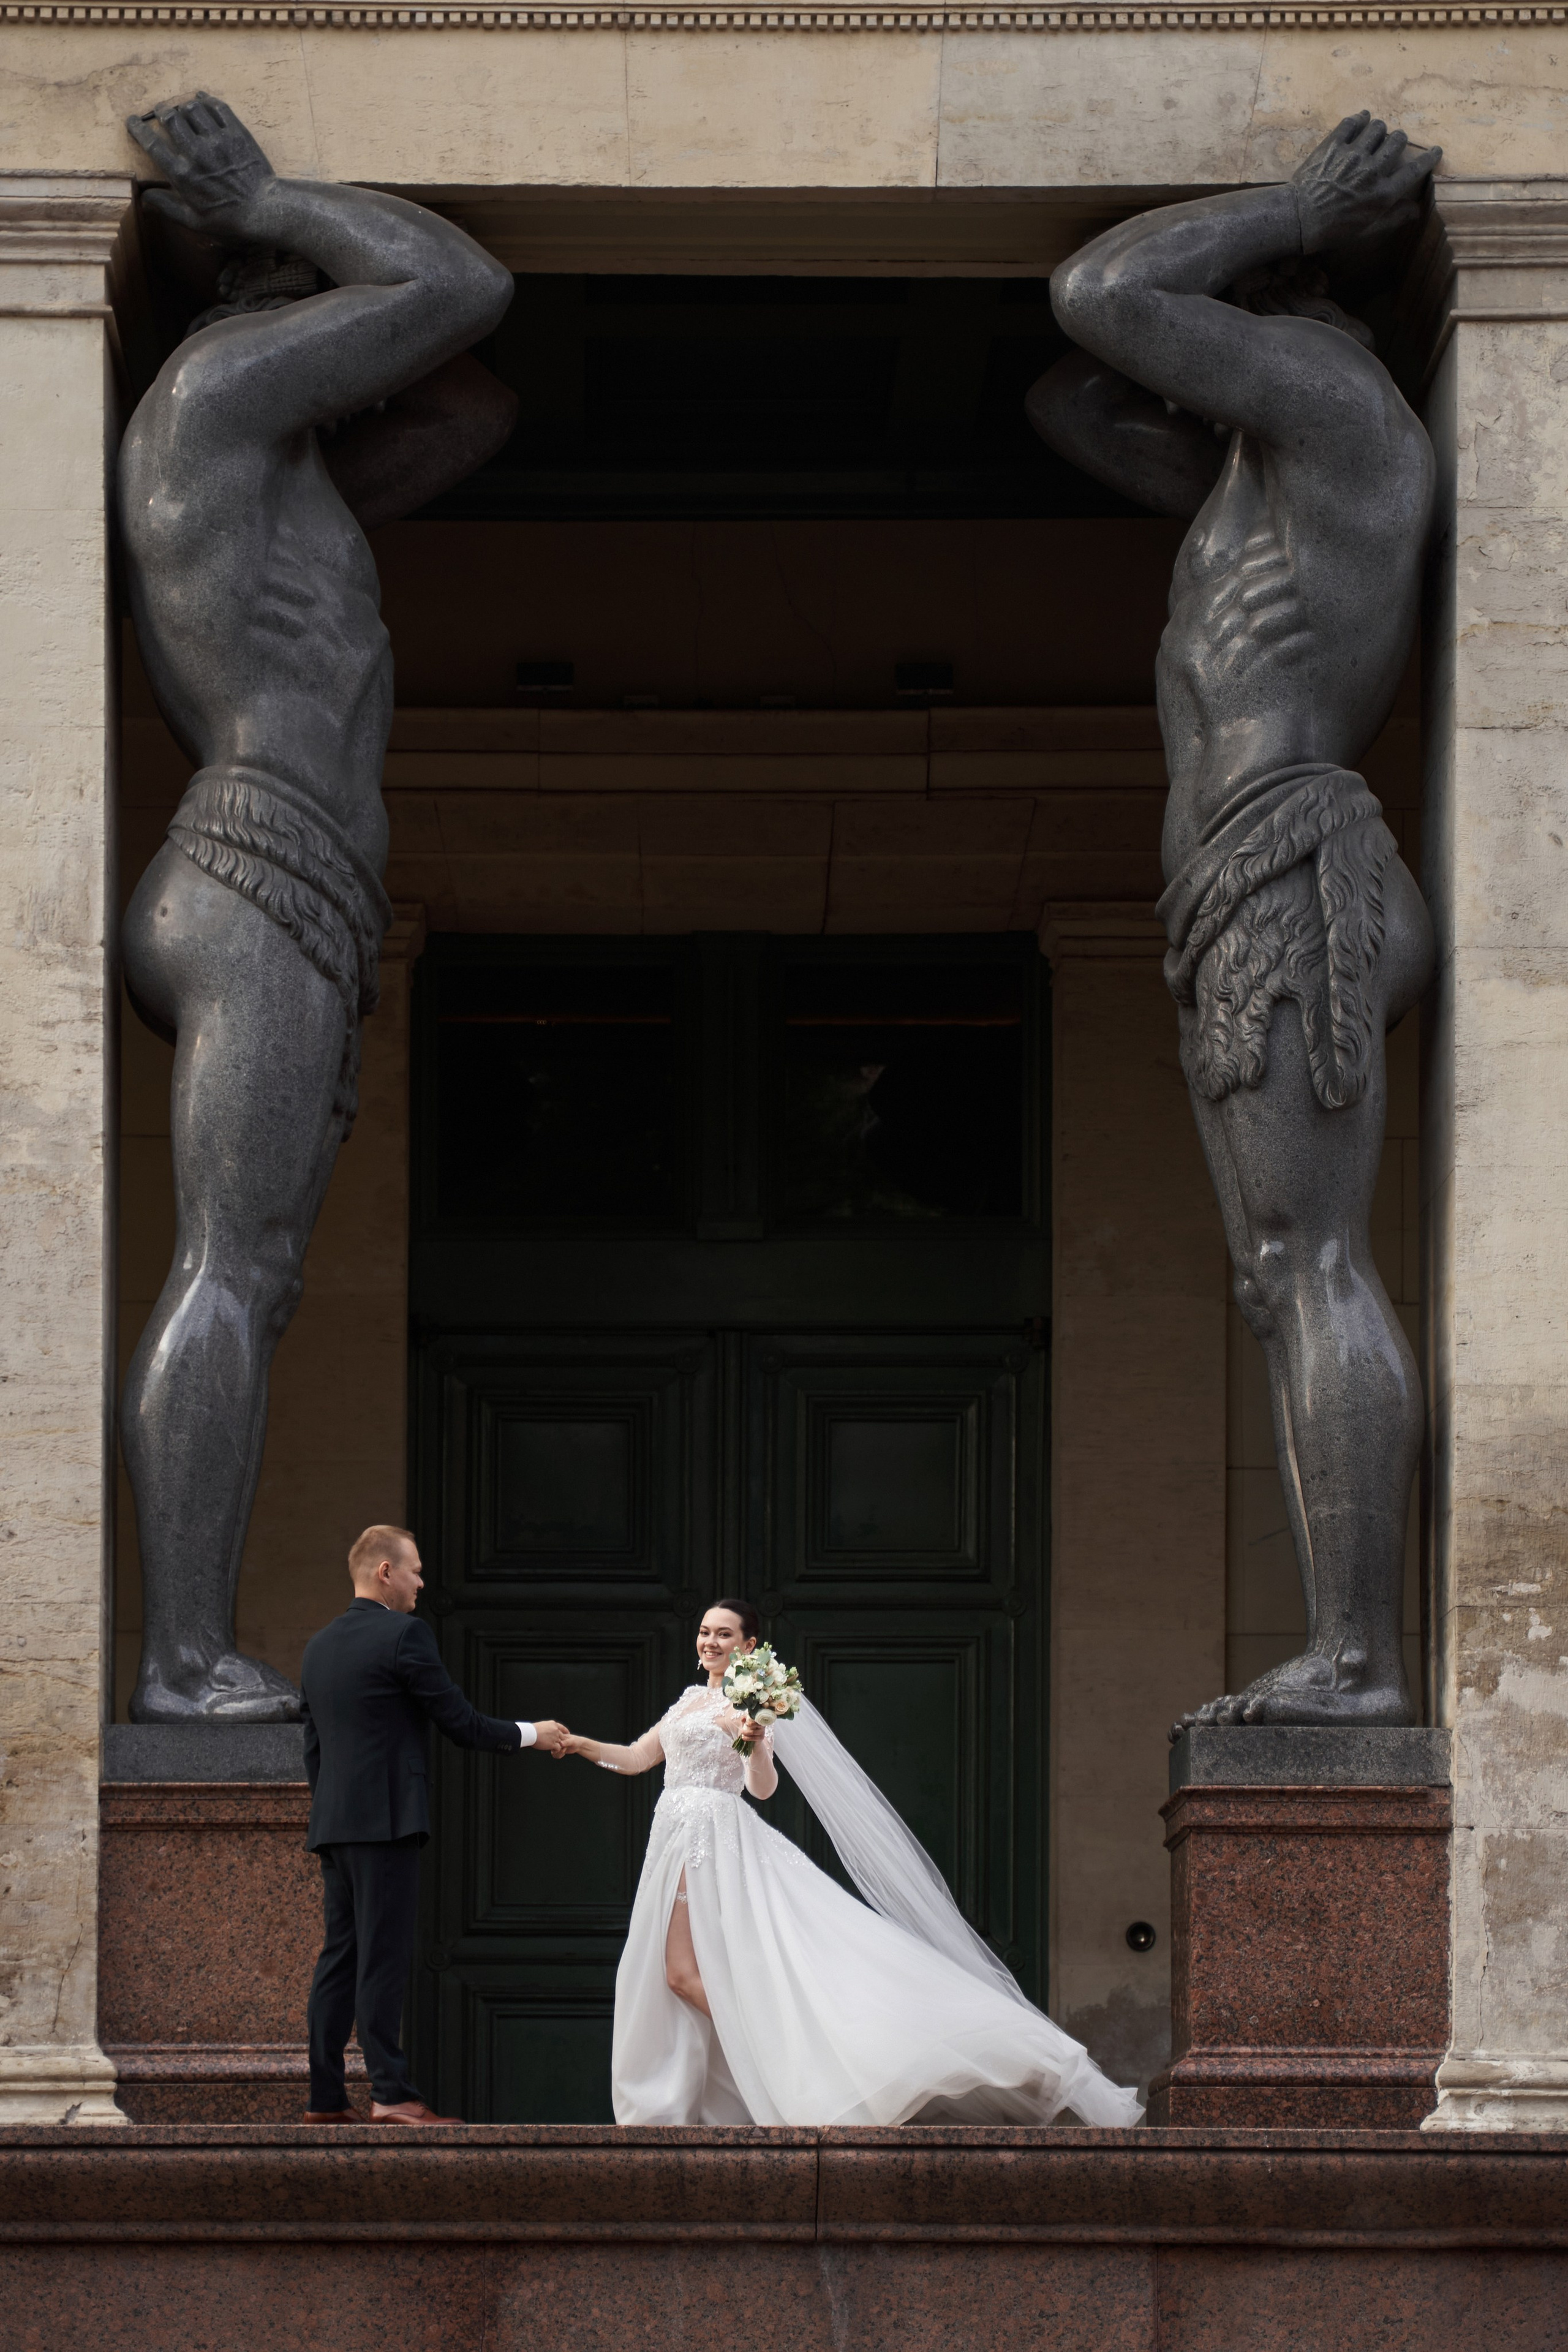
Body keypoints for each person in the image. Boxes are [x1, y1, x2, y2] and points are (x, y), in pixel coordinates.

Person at [1027, 115, 1439, 1731]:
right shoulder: (1260, 476)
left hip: (1287, 860)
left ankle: (1359, 1659)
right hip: (1241, 880)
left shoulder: (1338, 408)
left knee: (1307, 1260)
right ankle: (1347, 1647)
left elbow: (1099, 295)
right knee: (1283, 1275)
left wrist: (1292, 207)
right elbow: (1070, 398)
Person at [117, 92, 518, 1723]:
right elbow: (459, 287)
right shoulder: (210, 394)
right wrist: (275, 200)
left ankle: (185, 1648)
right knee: (234, 1266)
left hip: (296, 885)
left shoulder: (282, 474)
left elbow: (469, 400)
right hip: (255, 864)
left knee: (254, 1272)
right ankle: (180, 1658)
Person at [560, 1600, 1142, 2127]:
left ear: (748, 1645)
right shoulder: (689, 1699)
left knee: (682, 1973)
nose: (710, 1642)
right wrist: (578, 1745)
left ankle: (787, 2053)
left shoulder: (752, 1701)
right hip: (673, 1835)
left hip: (709, 1839)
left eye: (724, 1634)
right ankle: (768, 2061)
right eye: (705, 1632)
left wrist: (754, 1739)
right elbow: (636, 1758)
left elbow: (761, 1788)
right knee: (685, 1973)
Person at [298, 1526, 568, 2124]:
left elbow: (313, 1746)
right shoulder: (404, 1634)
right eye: (415, 1570)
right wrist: (533, 1733)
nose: (422, 1582)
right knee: (382, 1958)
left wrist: (334, 1809)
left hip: (336, 1824)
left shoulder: (318, 1646)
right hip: (387, 1822)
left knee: (339, 1957)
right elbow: (460, 1722)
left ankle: (325, 2099)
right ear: (385, 1572)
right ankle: (390, 2094)